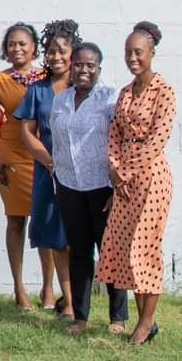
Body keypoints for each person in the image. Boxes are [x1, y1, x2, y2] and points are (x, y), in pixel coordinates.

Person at [96, 22, 175, 345]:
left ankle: (144, 323)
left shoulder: (164, 90)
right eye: (128, 52)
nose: (133, 58)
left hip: (151, 178)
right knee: (128, 248)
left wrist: (125, 172)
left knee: (146, 247)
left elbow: (158, 139)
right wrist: (115, 170)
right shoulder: (126, 93)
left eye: (138, 52)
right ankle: (145, 321)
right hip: (124, 182)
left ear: (152, 53)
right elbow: (114, 132)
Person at [51, 42, 129, 334]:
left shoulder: (110, 98)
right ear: (71, 67)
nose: (84, 70)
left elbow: (121, 140)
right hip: (69, 185)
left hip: (102, 187)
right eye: (79, 64)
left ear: (99, 68)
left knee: (109, 251)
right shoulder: (61, 99)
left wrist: (116, 185)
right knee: (79, 252)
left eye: (90, 65)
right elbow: (57, 139)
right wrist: (57, 174)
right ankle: (80, 318)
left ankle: (118, 318)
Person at [0, 23, 46, 310]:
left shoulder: (47, 77)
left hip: (43, 155)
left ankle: (48, 288)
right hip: (11, 156)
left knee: (46, 220)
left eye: (22, 44)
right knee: (16, 220)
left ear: (34, 48)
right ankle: (19, 289)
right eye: (11, 44)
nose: (17, 48)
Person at [13, 19, 79, 315]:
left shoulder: (83, 87)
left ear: (73, 52)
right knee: (57, 238)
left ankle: (78, 298)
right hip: (48, 170)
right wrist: (49, 161)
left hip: (81, 172)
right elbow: (27, 132)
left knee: (77, 237)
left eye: (62, 50)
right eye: (51, 50)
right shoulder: (37, 90)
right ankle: (69, 302)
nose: (56, 56)